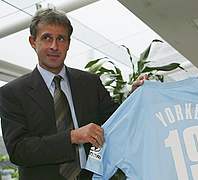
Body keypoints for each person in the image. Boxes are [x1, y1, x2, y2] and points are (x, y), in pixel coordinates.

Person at [0, 8, 144, 180]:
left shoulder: (90, 83)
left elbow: (116, 123)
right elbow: (19, 151)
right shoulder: (12, 93)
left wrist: (134, 98)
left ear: (68, 44)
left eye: (61, 39)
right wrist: (73, 137)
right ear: (33, 41)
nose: (54, 46)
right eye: (47, 38)